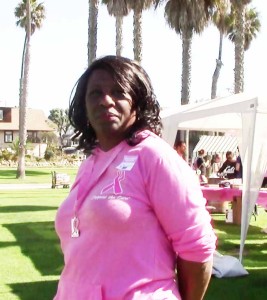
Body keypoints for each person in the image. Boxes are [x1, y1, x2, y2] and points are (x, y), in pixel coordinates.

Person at [54, 55, 216, 300]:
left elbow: (197, 247)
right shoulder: (89, 163)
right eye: (95, 93)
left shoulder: (155, 156)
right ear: (84, 106)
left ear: (137, 102)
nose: (106, 100)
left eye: (119, 92)